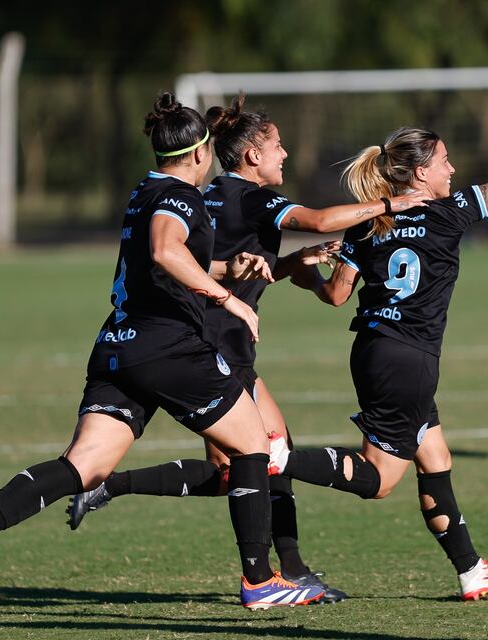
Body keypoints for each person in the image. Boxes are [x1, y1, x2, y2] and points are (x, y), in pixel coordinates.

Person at [0, 93, 326, 609]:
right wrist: (227, 300)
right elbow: (166, 251)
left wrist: (226, 271)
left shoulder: (144, 189)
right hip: (167, 346)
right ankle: (260, 580)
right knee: (255, 445)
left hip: (116, 346)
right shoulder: (182, 197)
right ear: (199, 153)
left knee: (84, 465)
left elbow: (163, 259)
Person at [64, 94, 429, 603]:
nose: (285, 154)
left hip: (210, 339)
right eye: (277, 145)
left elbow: (237, 268)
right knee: (261, 457)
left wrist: (292, 264)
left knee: (241, 466)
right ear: (252, 154)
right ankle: (277, 574)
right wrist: (392, 203)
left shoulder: (212, 193)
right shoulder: (250, 198)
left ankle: (115, 489)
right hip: (216, 347)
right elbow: (323, 219)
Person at [263, 64, 488, 601]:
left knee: (436, 457)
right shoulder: (449, 213)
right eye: (444, 160)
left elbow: (335, 295)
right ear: (421, 173)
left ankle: (471, 570)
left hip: (375, 349)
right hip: (410, 359)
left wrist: (306, 273)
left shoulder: (368, 219)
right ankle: (277, 460)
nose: (452, 167)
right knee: (380, 480)